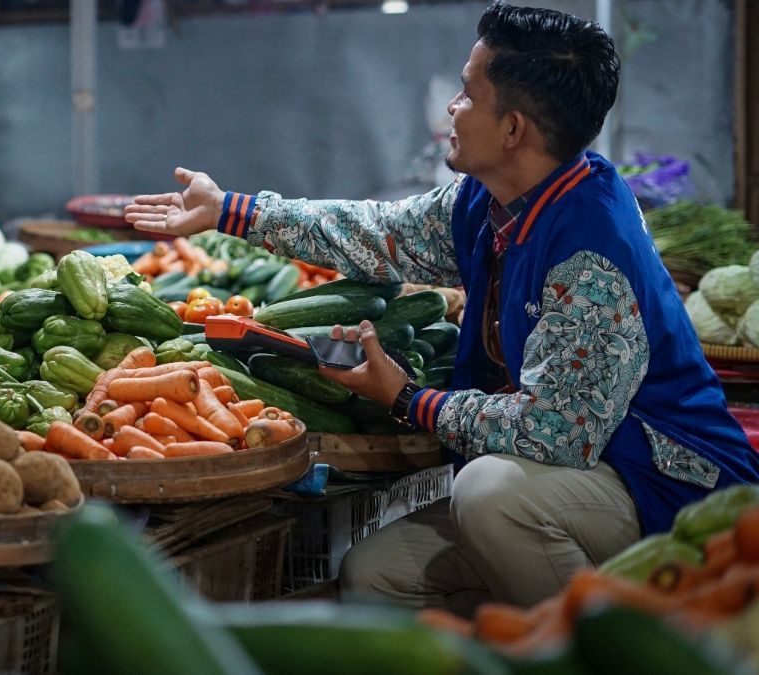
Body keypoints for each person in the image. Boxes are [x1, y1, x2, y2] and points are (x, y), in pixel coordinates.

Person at [125, 2, 759, 613]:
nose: (452, 108)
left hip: (664, 487)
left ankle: (610, 650)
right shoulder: (493, 200)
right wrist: (230, 210)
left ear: (513, 130)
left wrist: (406, 397)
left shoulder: (591, 255)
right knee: (377, 576)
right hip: (584, 477)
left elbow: (557, 434)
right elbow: (376, 233)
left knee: (488, 496)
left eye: (466, 93)